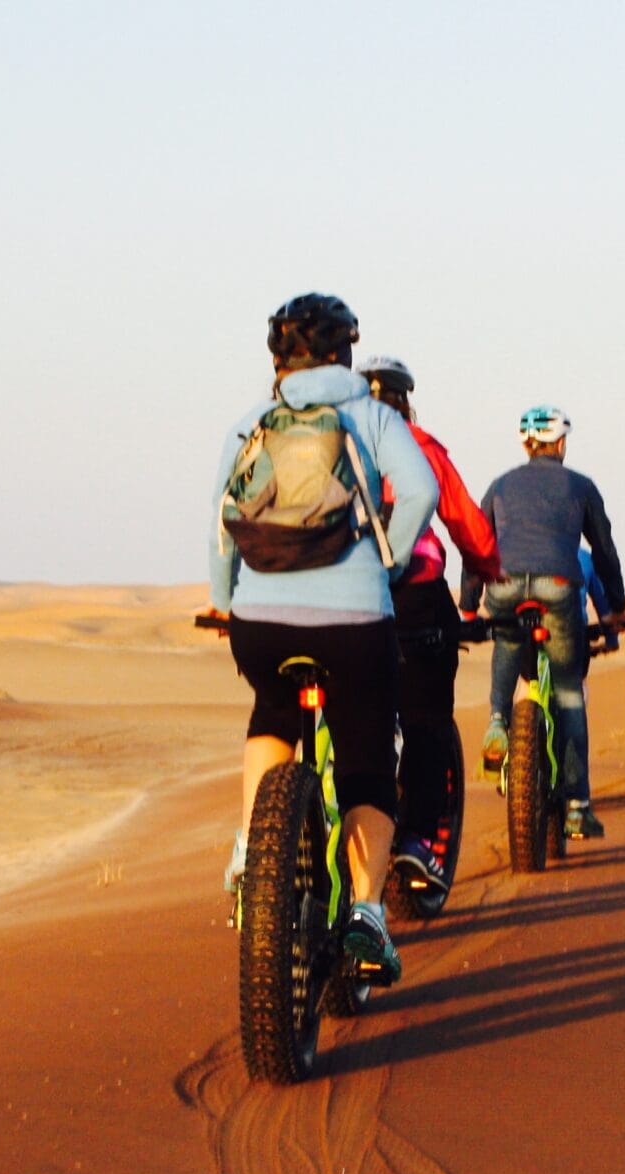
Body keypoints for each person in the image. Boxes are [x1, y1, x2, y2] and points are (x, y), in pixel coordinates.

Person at [207, 294, 436, 983]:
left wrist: (229, 600)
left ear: (279, 359)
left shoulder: (253, 422)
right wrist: (387, 562)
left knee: (272, 713)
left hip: (261, 624)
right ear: (344, 354)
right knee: (366, 756)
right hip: (354, 623)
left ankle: (252, 852)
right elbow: (420, 491)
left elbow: (222, 517)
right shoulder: (373, 415)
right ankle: (367, 912)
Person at [357, 355, 501, 900]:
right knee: (427, 717)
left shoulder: (332, 441)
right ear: (405, 403)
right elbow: (465, 522)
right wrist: (489, 568)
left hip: (336, 593)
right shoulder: (419, 446)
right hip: (413, 593)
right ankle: (419, 840)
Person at [474, 404, 625, 839]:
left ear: (527, 444)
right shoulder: (581, 485)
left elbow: (480, 542)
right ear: (559, 442)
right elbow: (604, 551)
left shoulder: (500, 484)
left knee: (508, 642)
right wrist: (615, 606)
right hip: (559, 585)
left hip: (504, 583)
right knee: (568, 693)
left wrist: (469, 602)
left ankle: (497, 721)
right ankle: (578, 807)